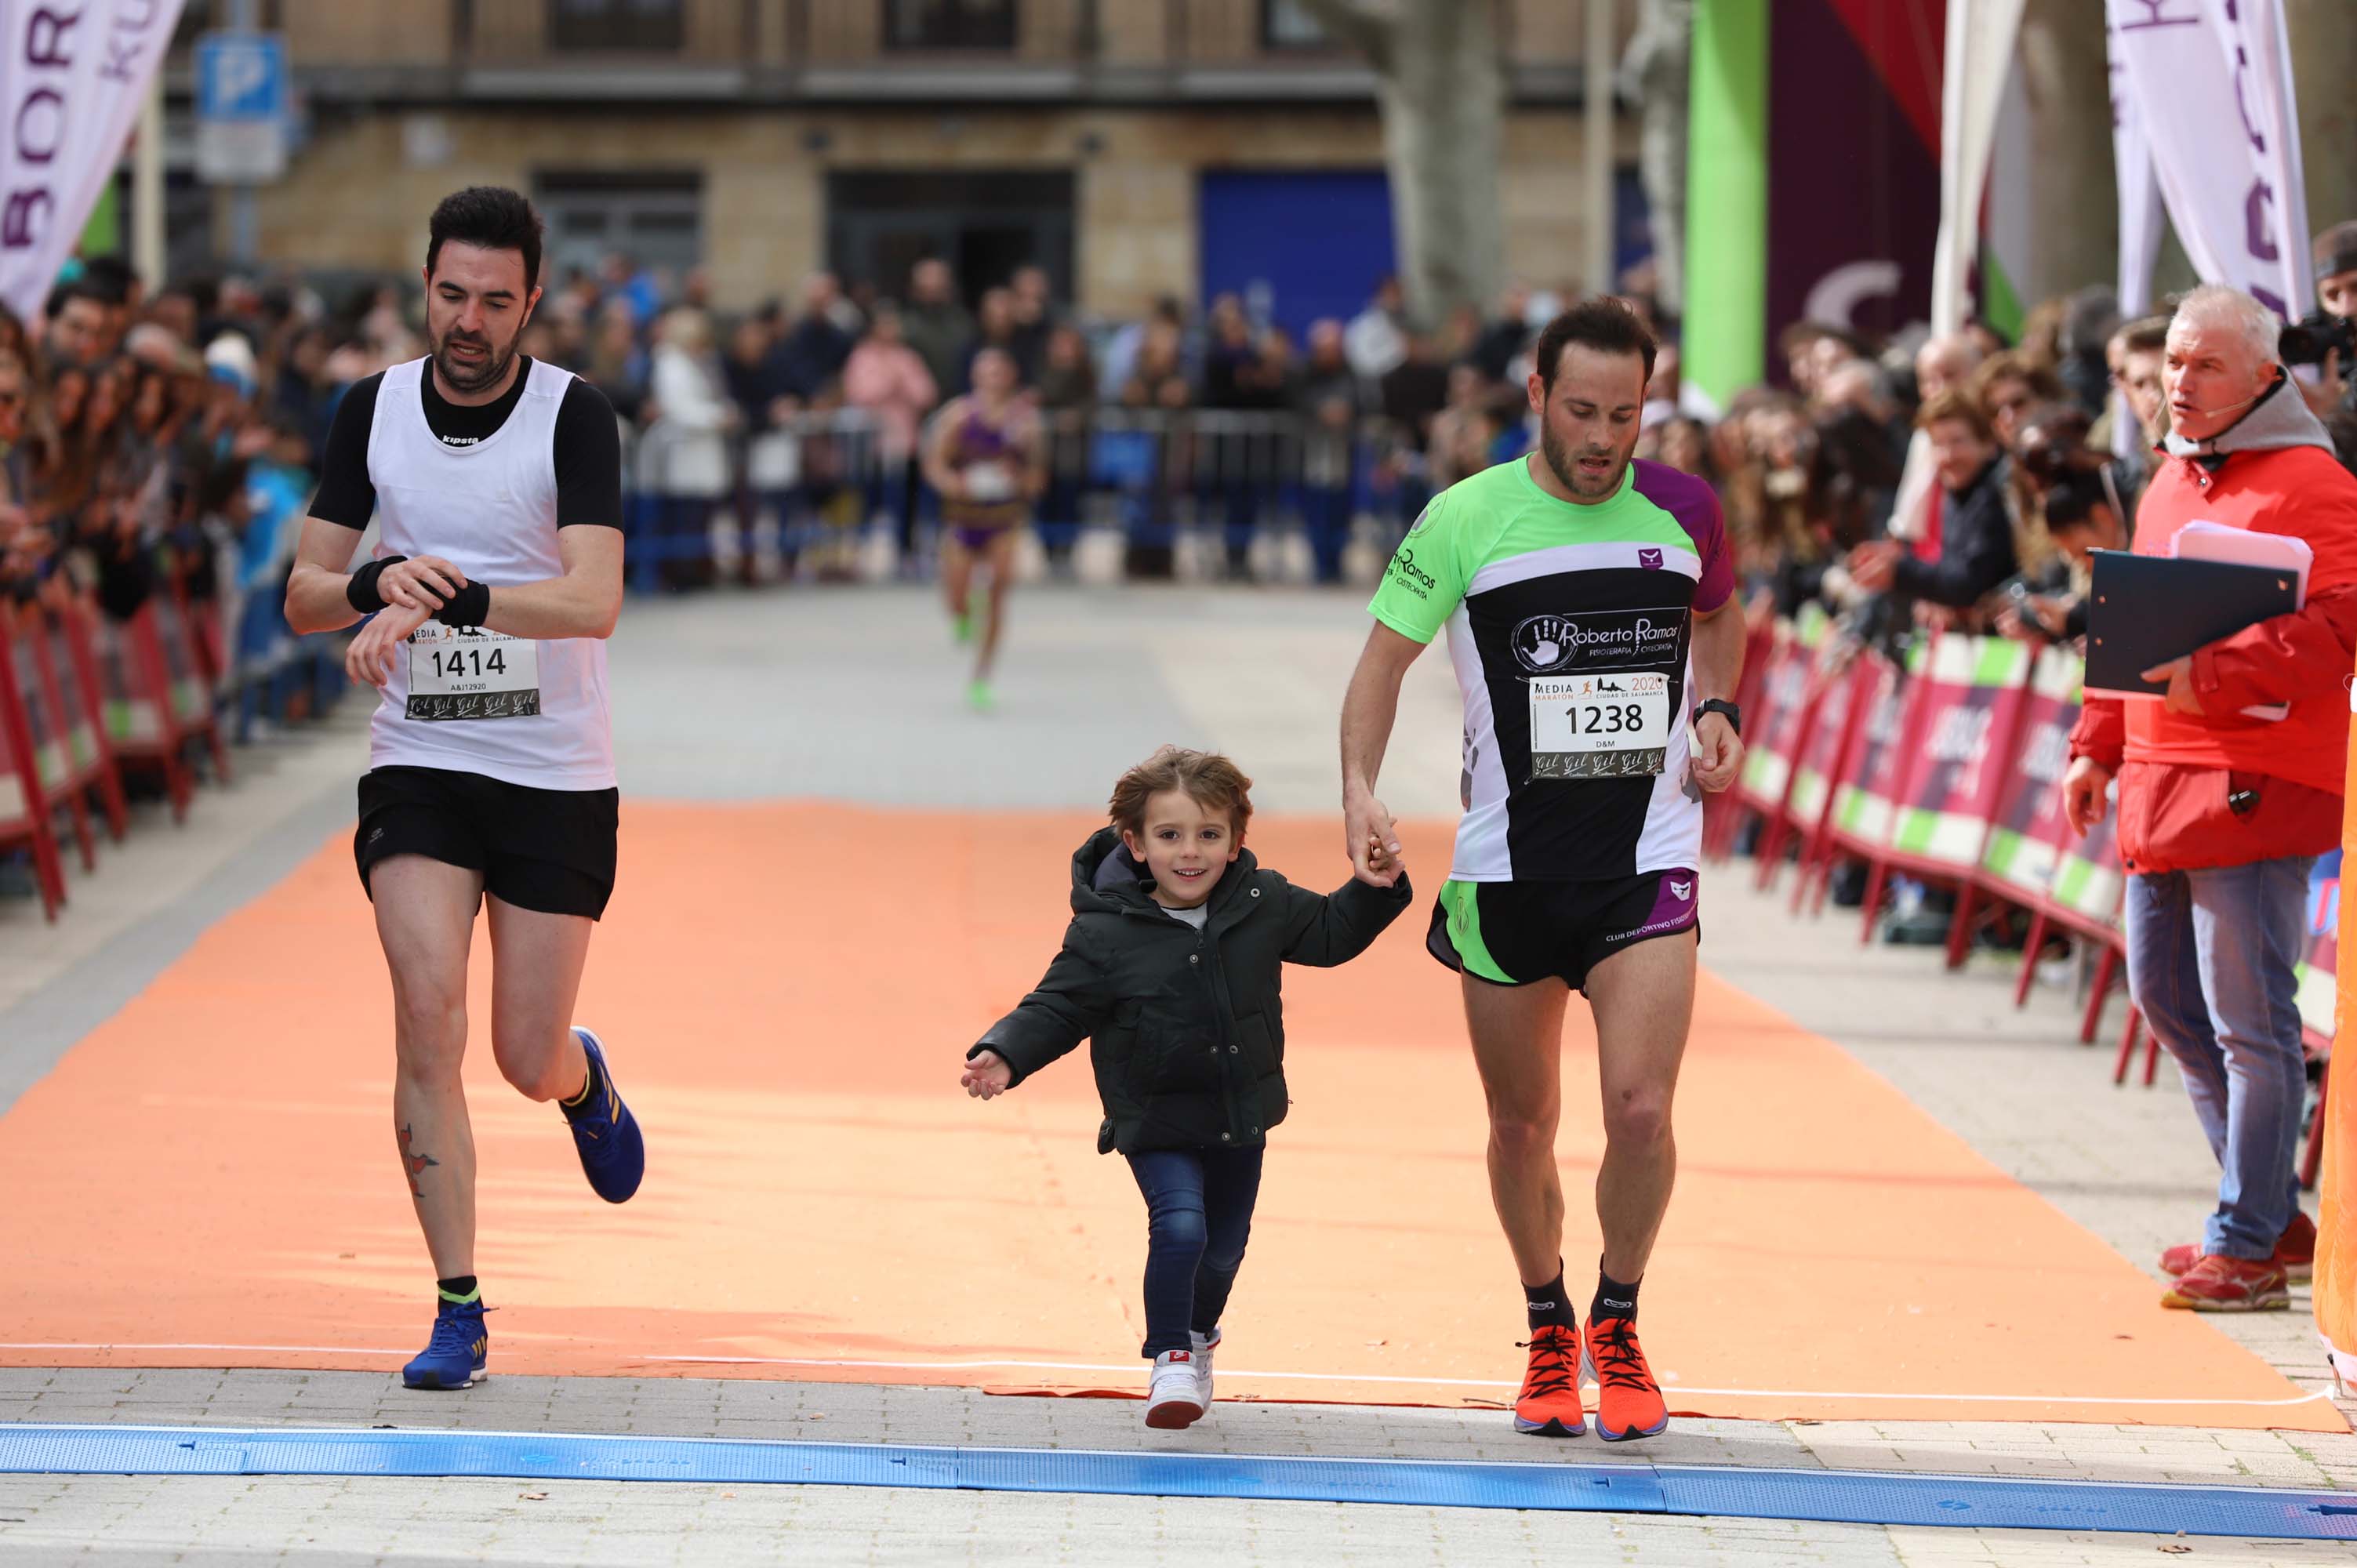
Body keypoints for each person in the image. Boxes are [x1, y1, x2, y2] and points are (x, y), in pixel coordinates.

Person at [1336, 299, 1747, 1443]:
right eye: (1580, 410)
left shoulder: (1684, 508)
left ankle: (1616, 1319)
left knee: (1642, 1106)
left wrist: (1715, 705)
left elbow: (1722, 619)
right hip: (1505, 874)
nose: (1602, 436)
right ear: (1533, 393)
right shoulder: (1465, 518)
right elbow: (1380, 663)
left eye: (1624, 414)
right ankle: (1545, 1323)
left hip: (1646, 863)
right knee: (1522, 1125)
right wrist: (1360, 788)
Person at [281, 186, 644, 1391]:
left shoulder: (573, 417)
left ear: (532, 301)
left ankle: (578, 1077)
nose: (470, 321)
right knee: (425, 1020)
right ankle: (458, 1306)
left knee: (519, 1053)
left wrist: (455, 597)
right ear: (423, 287)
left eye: (496, 300)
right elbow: (304, 595)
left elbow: (592, 600)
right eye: (452, 295)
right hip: (422, 760)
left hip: (553, 772)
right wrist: (381, 579)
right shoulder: (371, 411)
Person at [960, 746, 1411, 1428]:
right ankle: (1170, 1356)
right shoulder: (1105, 932)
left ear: (1236, 843)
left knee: (1224, 1246)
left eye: (1209, 834)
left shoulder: (1264, 903)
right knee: (1179, 1227)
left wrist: (1374, 886)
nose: (1189, 852)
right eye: (1169, 836)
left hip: (1239, 1113)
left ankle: (1199, 1334)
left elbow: (1330, 933)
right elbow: (1057, 1005)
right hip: (1154, 1112)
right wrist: (1004, 1051)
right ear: (1135, 844)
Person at [2062, 285, 2357, 1310]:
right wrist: (2093, 742)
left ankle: (2243, 1231)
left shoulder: (2315, 483)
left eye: (2201, 367)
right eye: (2171, 364)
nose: (2175, 385)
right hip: (2156, 770)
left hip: (2256, 777)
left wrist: (2215, 673)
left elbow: (2338, 633)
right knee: (2165, 1000)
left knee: (2247, 1018)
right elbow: (2126, 622)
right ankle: (2268, 1219)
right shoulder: (2169, 476)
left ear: (2263, 375)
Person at [921, 345, 1043, 712]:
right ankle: (961, 614)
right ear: (975, 378)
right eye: (985, 373)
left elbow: (1038, 479)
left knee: (998, 592)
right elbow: (934, 465)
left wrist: (1018, 478)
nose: (992, 381)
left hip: (1002, 520)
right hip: (963, 519)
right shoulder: (958, 417)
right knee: (957, 598)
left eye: (999, 373)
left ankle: (982, 676)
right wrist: (954, 484)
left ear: (1010, 378)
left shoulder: (1025, 423)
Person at [1845, 391, 2016, 612]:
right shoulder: (1952, 495)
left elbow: (1972, 581)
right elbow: (1947, 567)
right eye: (1937, 445)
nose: (1948, 456)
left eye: (1958, 442)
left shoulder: (1997, 494)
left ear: (1988, 444)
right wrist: (1897, 559)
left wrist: (1900, 571)